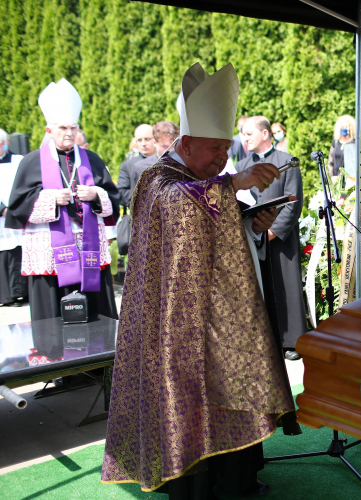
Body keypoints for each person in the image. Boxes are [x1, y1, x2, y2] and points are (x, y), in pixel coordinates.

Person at [101, 63, 296, 499]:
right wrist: (232, 184)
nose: (222, 159)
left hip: (217, 315)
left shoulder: (204, 177)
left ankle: (240, 481)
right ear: (185, 144)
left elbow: (214, 227)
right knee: (191, 409)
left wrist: (251, 223)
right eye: (214, 149)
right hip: (175, 326)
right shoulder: (158, 176)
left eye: (227, 149)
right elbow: (173, 206)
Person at [4, 79, 120, 321]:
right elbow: (17, 208)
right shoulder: (31, 161)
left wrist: (96, 195)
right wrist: (49, 199)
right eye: (62, 129)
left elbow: (113, 199)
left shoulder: (91, 159)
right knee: (54, 315)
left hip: (88, 248)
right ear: (49, 130)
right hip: (50, 251)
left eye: (73, 128)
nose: (69, 134)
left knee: (96, 314)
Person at [237, 116, 305, 361]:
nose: (244, 138)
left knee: (285, 286)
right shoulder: (241, 165)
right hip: (251, 236)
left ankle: (291, 341)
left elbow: (293, 201)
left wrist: (271, 232)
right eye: (243, 135)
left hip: (279, 239)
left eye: (248, 134)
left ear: (265, 134)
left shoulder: (287, 162)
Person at [0, 129, 27, 306]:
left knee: (19, 253)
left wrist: (17, 208)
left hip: (18, 214)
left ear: (4, 143)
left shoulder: (19, 161)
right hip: (1, 217)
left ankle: (23, 294)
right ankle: (5, 296)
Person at [130, 120, 179, 189]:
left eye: (174, 146)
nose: (170, 150)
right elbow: (136, 198)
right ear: (154, 143)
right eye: (165, 146)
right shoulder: (140, 168)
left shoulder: (184, 165)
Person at [117, 124, 156, 210]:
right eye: (139, 140)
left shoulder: (165, 160)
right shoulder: (128, 165)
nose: (143, 144)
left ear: (155, 139)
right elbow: (121, 193)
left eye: (147, 139)